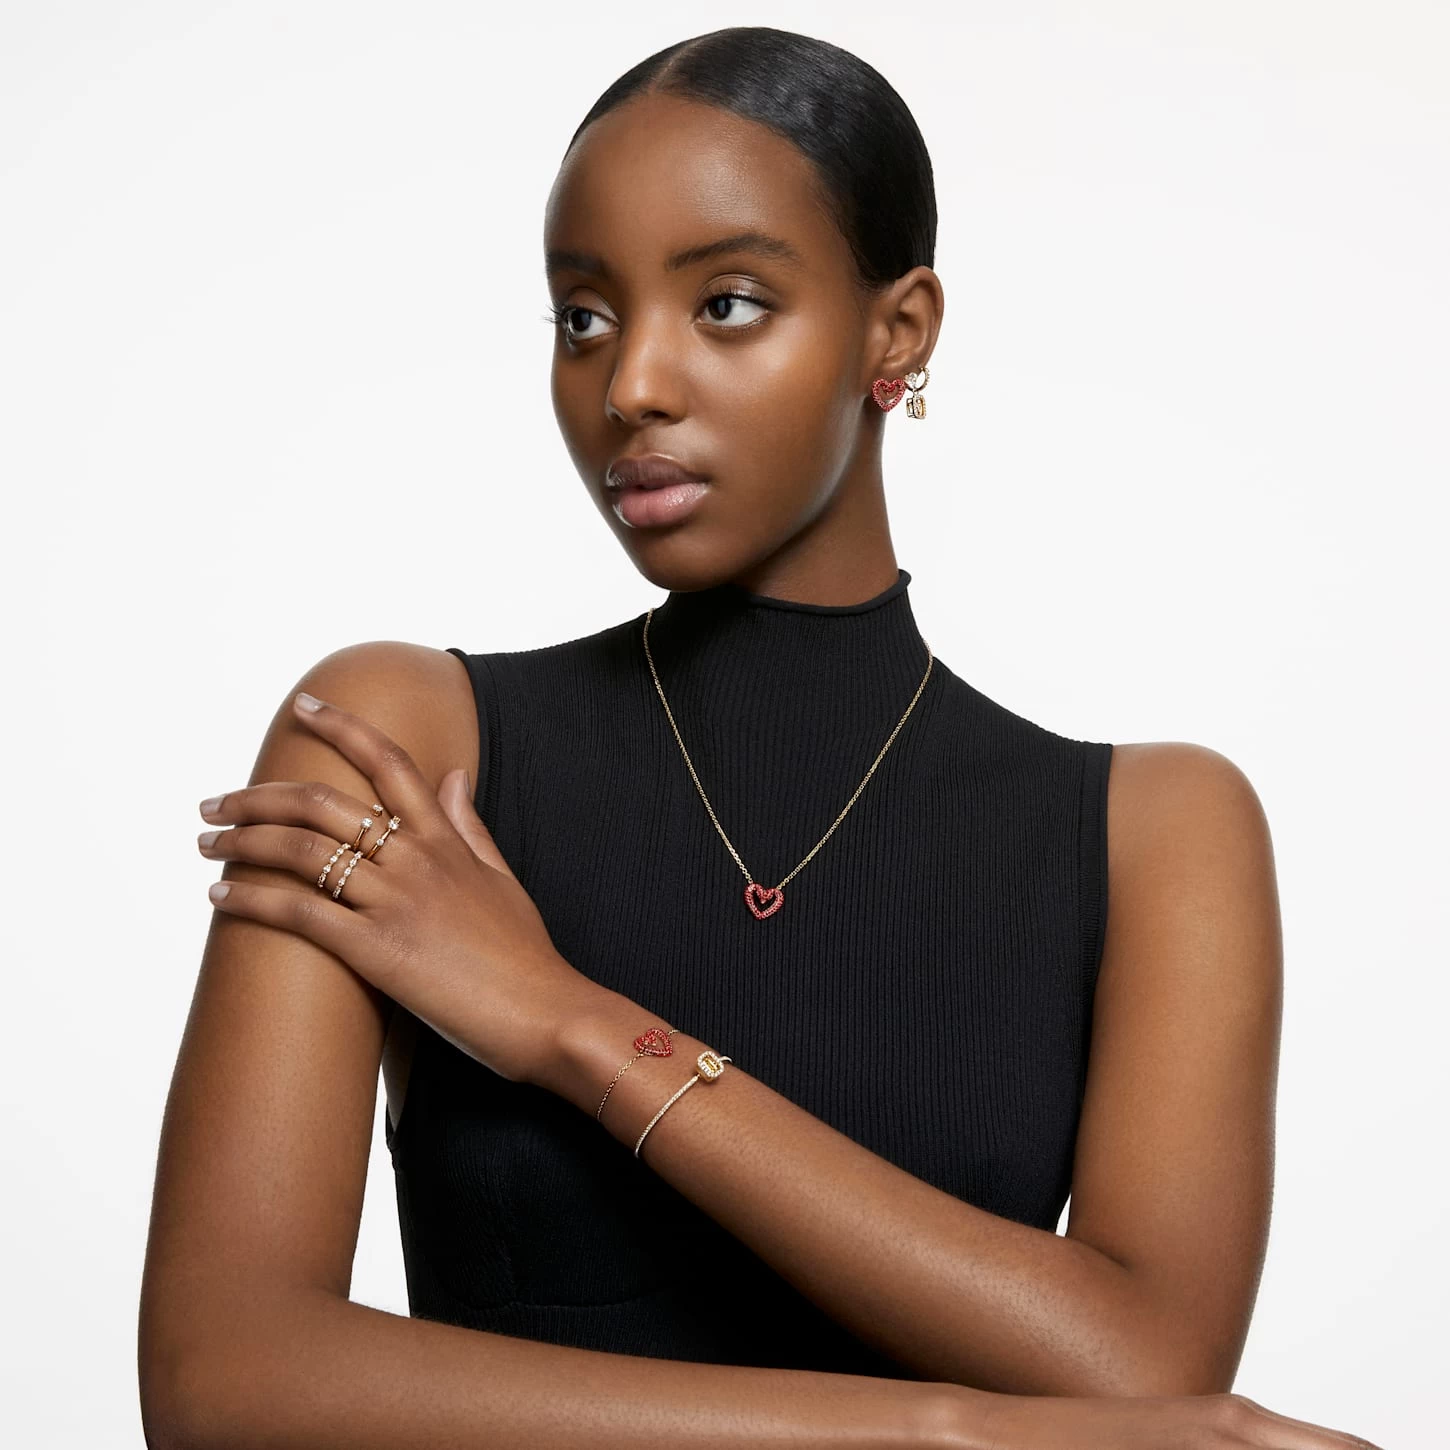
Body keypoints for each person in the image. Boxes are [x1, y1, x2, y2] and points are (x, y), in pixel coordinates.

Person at [138, 25, 1381, 1450]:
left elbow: (1146, 1367)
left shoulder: (1153, 831)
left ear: (896, 333)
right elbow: (221, 1380)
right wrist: (950, 1432)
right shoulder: (407, 745)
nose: (632, 385)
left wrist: (573, 1027)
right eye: (583, 317)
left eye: (726, 304)